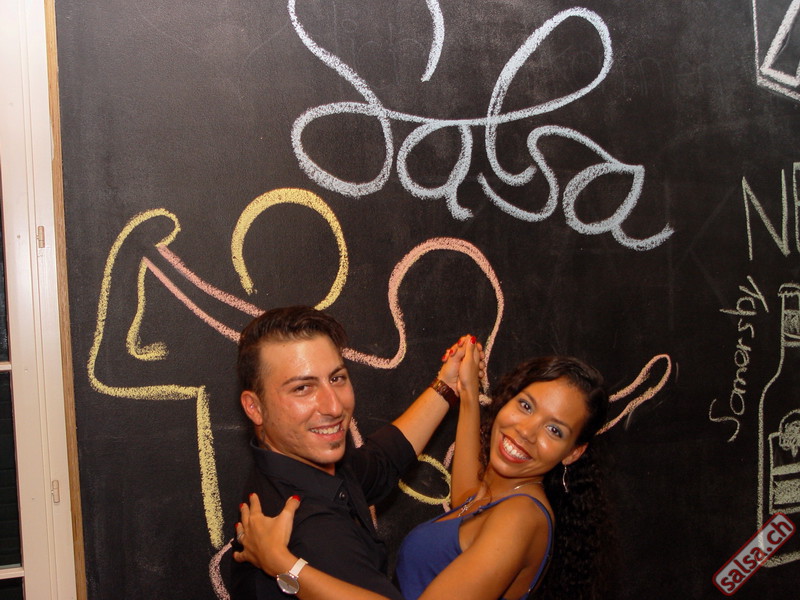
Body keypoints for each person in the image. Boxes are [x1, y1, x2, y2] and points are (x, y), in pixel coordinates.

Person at [234, 342, 610, 600]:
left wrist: (283, 564)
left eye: (555, 430)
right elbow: (464, 498)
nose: (526, 431)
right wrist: (461, 390)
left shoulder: (521, 518)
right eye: (525, 406)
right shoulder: (496, 499)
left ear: (573, 452)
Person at [230, 306, 482, 599]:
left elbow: (383, 459)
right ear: (254, 407)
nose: (334, 406)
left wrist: (447, 385)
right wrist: (288, 566)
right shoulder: (314, 532)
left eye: (337, 378)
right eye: (302, 388)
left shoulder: (302, 468)